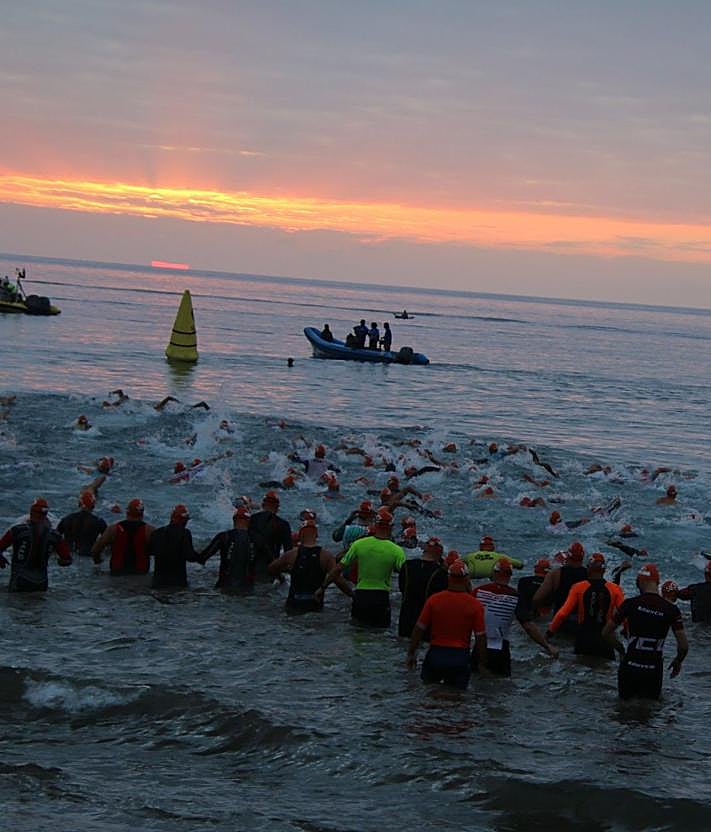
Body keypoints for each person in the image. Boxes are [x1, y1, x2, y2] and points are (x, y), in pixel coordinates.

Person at [602, 563, 688, 700]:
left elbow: (606, 633)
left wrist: (621, 650)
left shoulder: (630, 604)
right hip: (653, 670)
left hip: (629, 667)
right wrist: (678, 661)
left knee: (623, 711)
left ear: (640, 581)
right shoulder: (671, 610)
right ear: (657, 582)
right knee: (649, 713)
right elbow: (683, 646)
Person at [406, 559, 487, 690]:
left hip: (436, 654)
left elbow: (419, 629)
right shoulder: (475, 605)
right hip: (460, 656)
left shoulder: (434, 600)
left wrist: (411, 653)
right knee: (458, 700)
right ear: (467, 579)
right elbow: (481, 637)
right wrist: (482, 662)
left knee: (429, 696)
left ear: (448, 578)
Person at [472, 558, 557, 675]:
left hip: (479, 646)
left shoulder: (478, 591)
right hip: (500, 648)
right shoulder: (515, 596)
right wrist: (547, 646)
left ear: (494, 573)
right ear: (510, 576)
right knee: (500, 686)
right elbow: (528, 626)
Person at [323, 509, 405, 627]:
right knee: (380, 635)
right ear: (391, 527)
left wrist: (323, 587)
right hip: (381, 597)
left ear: (375, 525)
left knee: (357, 633)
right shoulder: (397, 550)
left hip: (361, 595)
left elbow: (337, 569)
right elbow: (404, 574)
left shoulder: (359, 544)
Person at [546, 553, 624, 658]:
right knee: (605, 671)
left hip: (583, 640)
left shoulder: (578, 587)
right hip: (605, 642)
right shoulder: (615, 589)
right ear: (604, 570)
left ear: (588, 569)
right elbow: (625, 616)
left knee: (580, 670)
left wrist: (548, 634)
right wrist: (628, 635)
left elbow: (562, 614)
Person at [270, 519, 353, 612]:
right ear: (316, 535)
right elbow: (338, 580)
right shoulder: (326, 556)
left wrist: (281, 577)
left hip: (293, 604)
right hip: (315, 605)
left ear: (300, 535)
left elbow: (272, 568)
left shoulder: (291, 555)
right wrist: (353, 595)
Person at [0, 498, 72, 592]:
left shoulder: (17, 531)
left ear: (31, 513)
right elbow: (67, 559)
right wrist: (59, 561)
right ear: (46, 515)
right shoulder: (54, 536)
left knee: (16, 605)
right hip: (41, 583)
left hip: (20, 580)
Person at [532, 541, 588, 634]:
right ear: (582, 558)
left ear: (568, 556)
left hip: (561, 622)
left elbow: (537, 598)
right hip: (583, 624)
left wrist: (535, 613)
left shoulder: (555, 574)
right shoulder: (590, 575)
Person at [397, 536, 448, 638]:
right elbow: (440, 600)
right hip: (425, 622)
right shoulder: (440, 572)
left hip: (405, 618)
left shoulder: (407, 565)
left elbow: (401, 588)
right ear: (439, 553)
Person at [91, 498, 155, 575]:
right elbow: (160, 553)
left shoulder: (113, 529)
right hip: (140, 575)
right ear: (142, 514)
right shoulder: (150, 531)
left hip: (117, 574)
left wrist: (97, 562)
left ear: (127, 512)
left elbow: (95, 550)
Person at [199, 506, 256, 592]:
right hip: (247, 589)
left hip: (225, 586)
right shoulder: (257, 538)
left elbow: (204, 557)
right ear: (248, 521)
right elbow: (270, 561)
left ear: (234, 520)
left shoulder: (224, 536)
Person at [148, 504, 199, 589]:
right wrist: (201, 557)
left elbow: (149, 551)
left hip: (158, 582)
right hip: (177, 582)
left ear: (171, 517)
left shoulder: (157, 533)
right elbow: (190, 556)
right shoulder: (185, 533)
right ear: (185, 520)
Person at [248, 491, 293, 580]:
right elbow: (288, 552)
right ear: (277, 507)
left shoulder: (252, 519)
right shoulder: (283, 524)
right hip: (271, 568)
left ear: (263, 505)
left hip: (251, 567)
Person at [57, 491, 107, 557]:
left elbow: (55, 537)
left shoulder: (67, 519)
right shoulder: (99, 522)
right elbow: (108, 540)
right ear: (93, 505)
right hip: (87, 556)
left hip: (68, 555)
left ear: (79, 504)